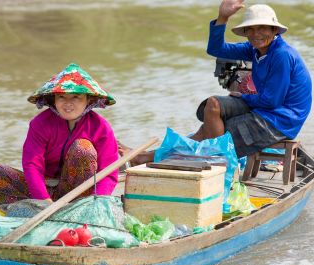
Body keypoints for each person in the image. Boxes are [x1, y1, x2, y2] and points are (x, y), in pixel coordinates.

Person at [119, 0, 312, 163]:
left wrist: (243, 96)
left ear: (274, 29)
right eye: (250, 29)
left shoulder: (282, 55)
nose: (256, 34)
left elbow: (272, 101)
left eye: (261, 27)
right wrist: (223, 18)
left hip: (280, 120)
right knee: (213, 106)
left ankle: (149, 157)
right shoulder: (255, 49)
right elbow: (215, 49)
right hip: (264, 108)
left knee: (207, 134)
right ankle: (148, 157)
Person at [0, 63, 119, 204]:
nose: (68, 103)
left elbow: (109, 173)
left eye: (76, 97)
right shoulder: (40, 123)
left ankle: (77, 206)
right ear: (53, 99)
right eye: (61, 97)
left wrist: (97, 201)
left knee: (83, 148)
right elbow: (32, 164)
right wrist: (43, 199)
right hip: (43, 191)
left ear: (89, 100)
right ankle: (35, 206)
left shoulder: (101, 128)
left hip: (78, 193)